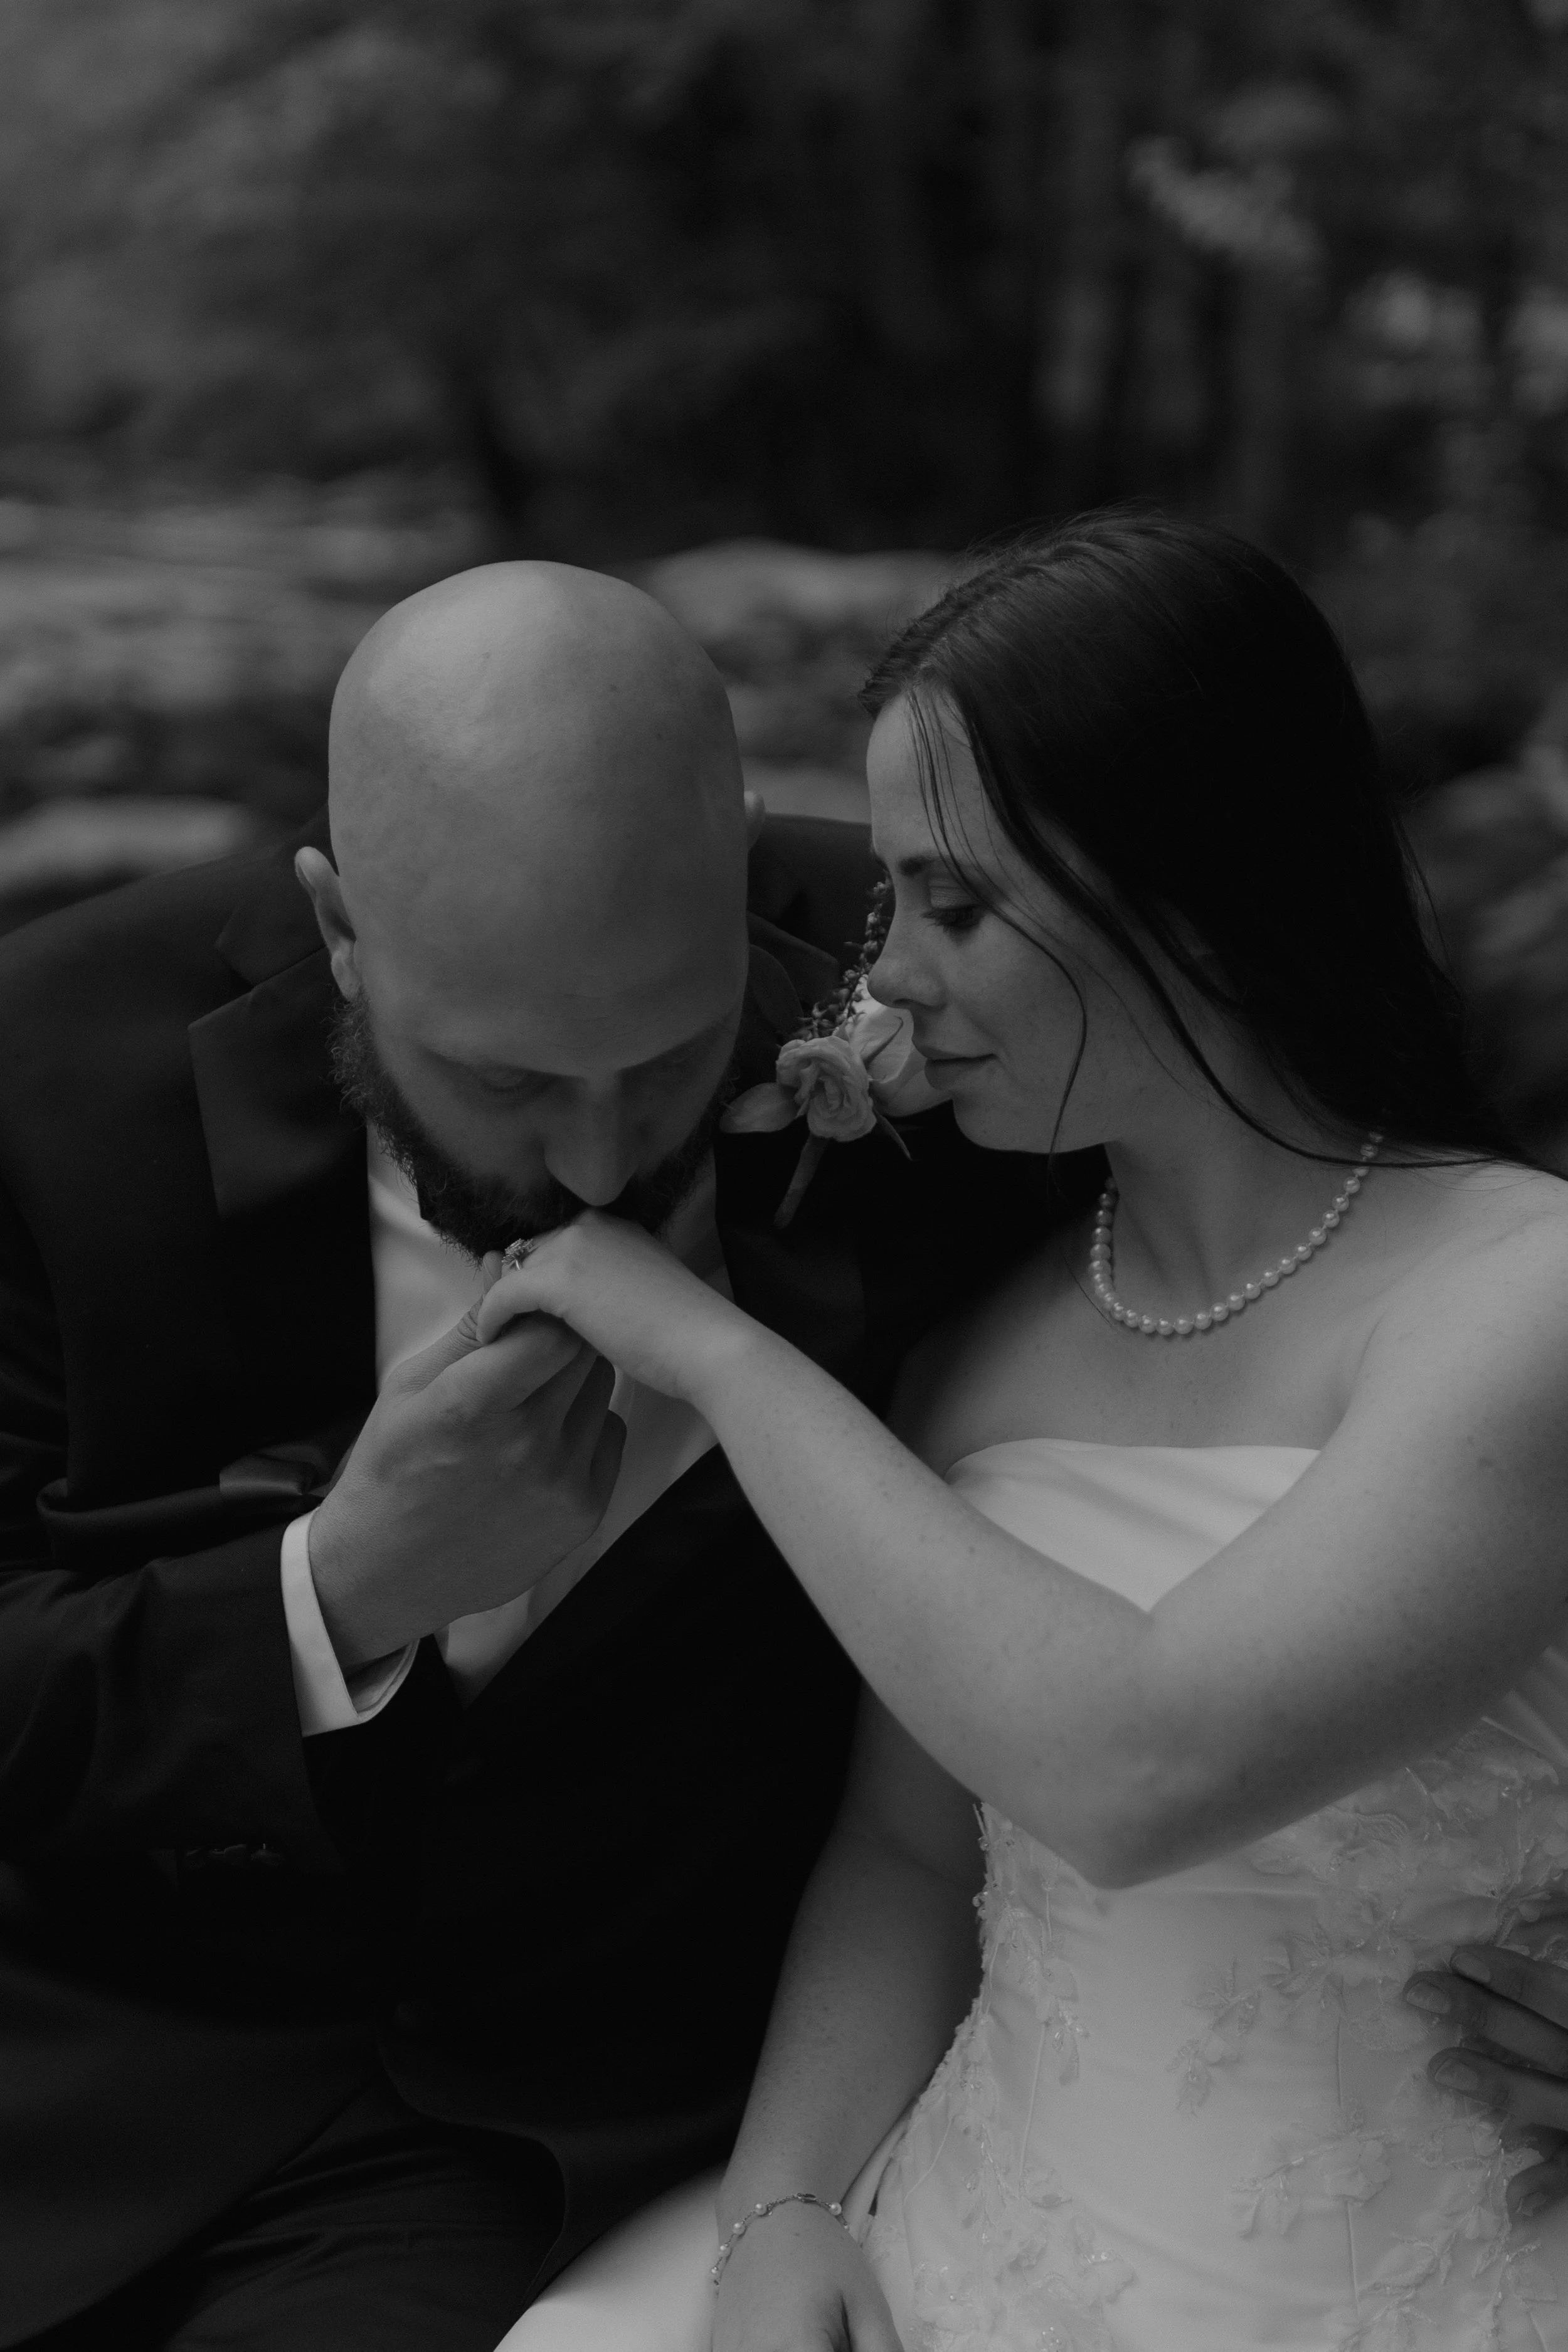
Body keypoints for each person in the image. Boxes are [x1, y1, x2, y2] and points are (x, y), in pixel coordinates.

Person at [477, 514, 1568, 2351]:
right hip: (977, 2232)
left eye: (957, 904)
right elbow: (907, 1855)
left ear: (1194, 885)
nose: (884, 972)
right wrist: (783, 2207)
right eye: (893, 896)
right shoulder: (984, 1337)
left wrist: (716, 1354)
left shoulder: (1513, 1297)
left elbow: (1135, 1766)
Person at [0, 561, 1048, 2349]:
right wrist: (337, 1589)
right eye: (502, 1081)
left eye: (658, 1063)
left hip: (545, 2108)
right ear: (341, 930)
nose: (586, 1163)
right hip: (73, 2048)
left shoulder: (960, 981)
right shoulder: (42, 1077)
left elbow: (1357, 1207)